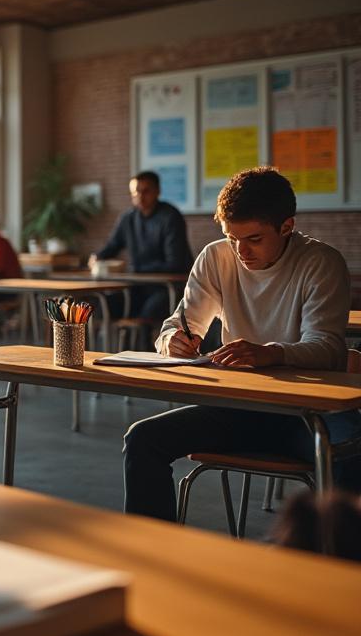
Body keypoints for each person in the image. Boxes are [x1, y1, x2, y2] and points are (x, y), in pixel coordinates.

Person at [123, 167, 359, 521]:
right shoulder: (217, 257)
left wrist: (271, 352)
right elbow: (175, 325)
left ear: (287, 226)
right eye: (232, 237)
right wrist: (174, 340)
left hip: (308, 415)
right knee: (142, 439)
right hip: (238, 407)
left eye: (253, 239)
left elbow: (328, 349)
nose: (240, 250)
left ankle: (341, 565)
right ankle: (152, 554)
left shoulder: (321, 262)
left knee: (351, 449)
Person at [91, 170, 194, 321]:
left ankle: (141, 343)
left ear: (157, 191)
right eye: (135, 192)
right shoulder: (127, 218)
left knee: (149, 312)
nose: (140, 196)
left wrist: (137, 270)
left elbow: (175, 263)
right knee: (105, 305)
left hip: (169, 288)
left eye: (146, 191)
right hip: (138, 286)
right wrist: (97, 257)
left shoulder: (171, 217)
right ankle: (111, 344)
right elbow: (113, 245)